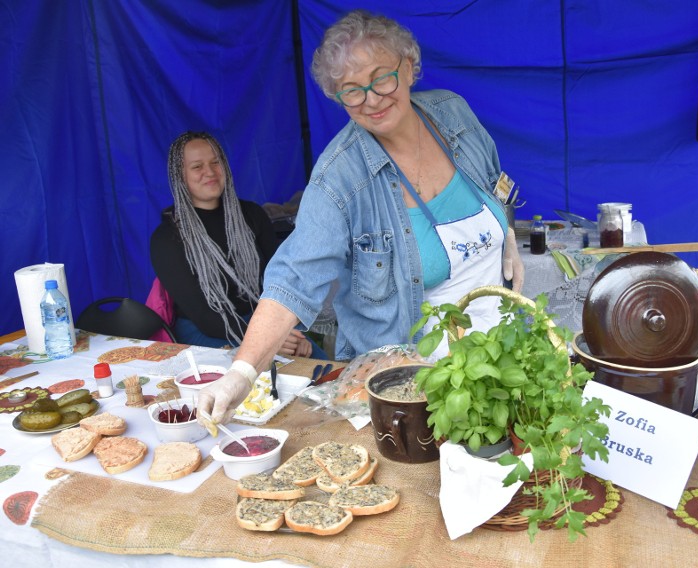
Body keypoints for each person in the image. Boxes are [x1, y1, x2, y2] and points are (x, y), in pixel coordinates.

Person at [199, 10, 523, 423]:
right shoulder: (340, 178)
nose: (371, 99)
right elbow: (293, 279)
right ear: (336, 97)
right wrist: (241, 374)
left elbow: (495, 180)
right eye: (351, 90)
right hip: (414, 383)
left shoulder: (452, 115)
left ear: (408, 67)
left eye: (381, 78)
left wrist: (506, 232)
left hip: (500, 351)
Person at [150, 131, 326, 358]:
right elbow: (204, 317)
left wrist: (288, 332)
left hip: (262, 319)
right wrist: (268, 338)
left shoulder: (252, 215)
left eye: (216, 162)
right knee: (269, 377)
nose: (210, 172)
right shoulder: (167, 238)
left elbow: (280, 284)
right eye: (197, 167)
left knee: (321, 366)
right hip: (208, 331)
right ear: (179, 176)